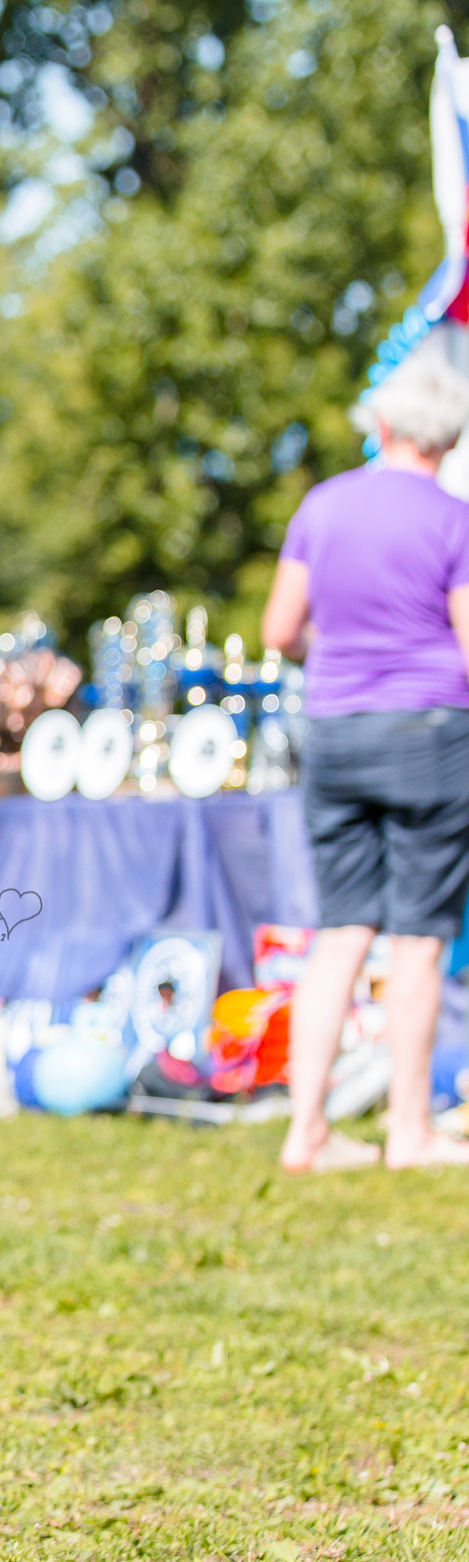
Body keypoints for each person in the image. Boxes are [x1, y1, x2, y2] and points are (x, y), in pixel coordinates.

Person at [263, 351, 469, 1174]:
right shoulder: (455, 521)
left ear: (382, 427)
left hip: (338, 729)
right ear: (447, 443)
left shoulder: (323, 505)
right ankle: (408, 1130)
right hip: (429, 733)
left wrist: (341, 654)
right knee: (418, 941)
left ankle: (305, 1128)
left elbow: (283, 631)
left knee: (341, 931)